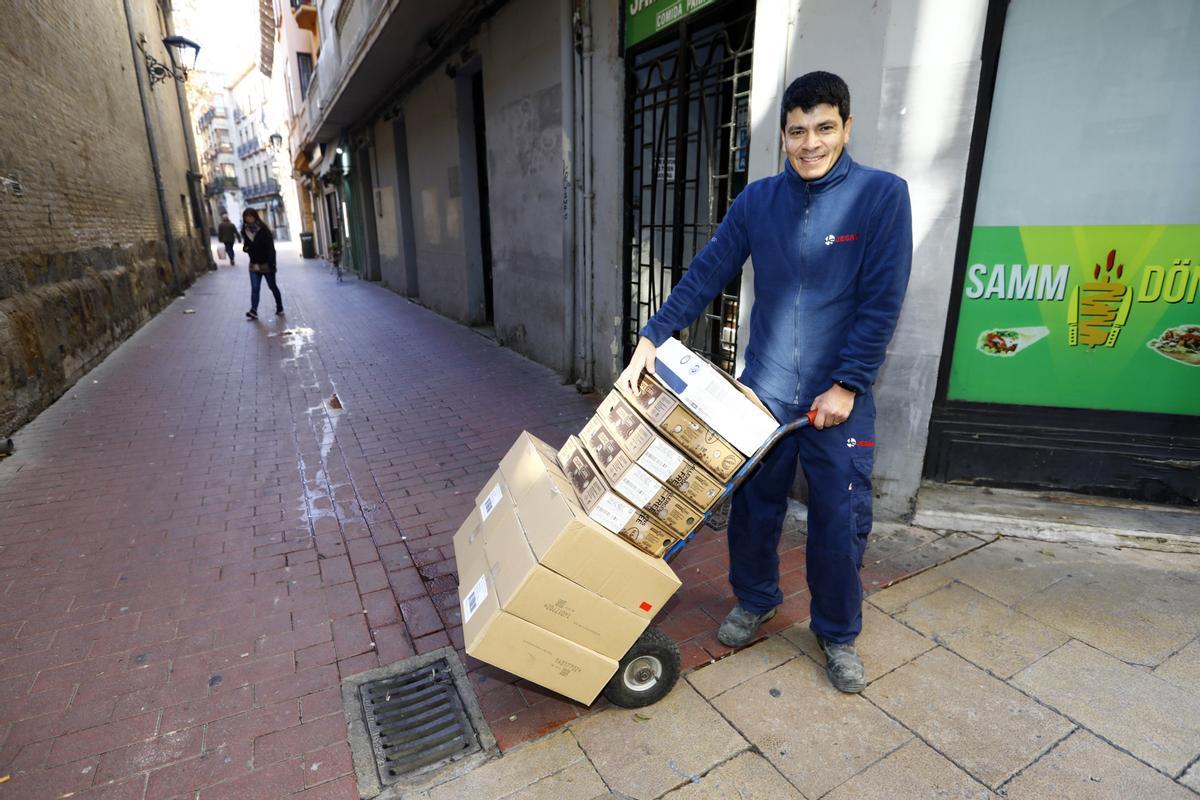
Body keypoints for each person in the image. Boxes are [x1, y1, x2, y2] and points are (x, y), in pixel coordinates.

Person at [620, 71, 912, 693]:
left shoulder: (882, 197)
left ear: (847, 127)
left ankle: (836, 632)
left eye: (824, 128)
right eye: (798, 131)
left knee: (839, 519)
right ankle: (755, 598)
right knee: (754, 508)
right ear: (783, 135)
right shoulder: (758, 202)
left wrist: (848, 384)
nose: (811, 143)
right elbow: (707, 271)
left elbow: (881, 301)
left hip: (840, 398)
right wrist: (654, 335)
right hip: (766, 392)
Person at [241, 208, 283, 320]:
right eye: (246, 216)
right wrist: (245, 248)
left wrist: (272, 263)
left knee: (272, 286)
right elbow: (246, 245)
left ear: (255, 216)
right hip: (254, 264)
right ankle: (253, 310)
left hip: (266, 263)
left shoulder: (263, 230)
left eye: (250, 216)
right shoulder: (245, 230)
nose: (248, 218)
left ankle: (279, 306)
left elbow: (271, 248)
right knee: (255, 288)